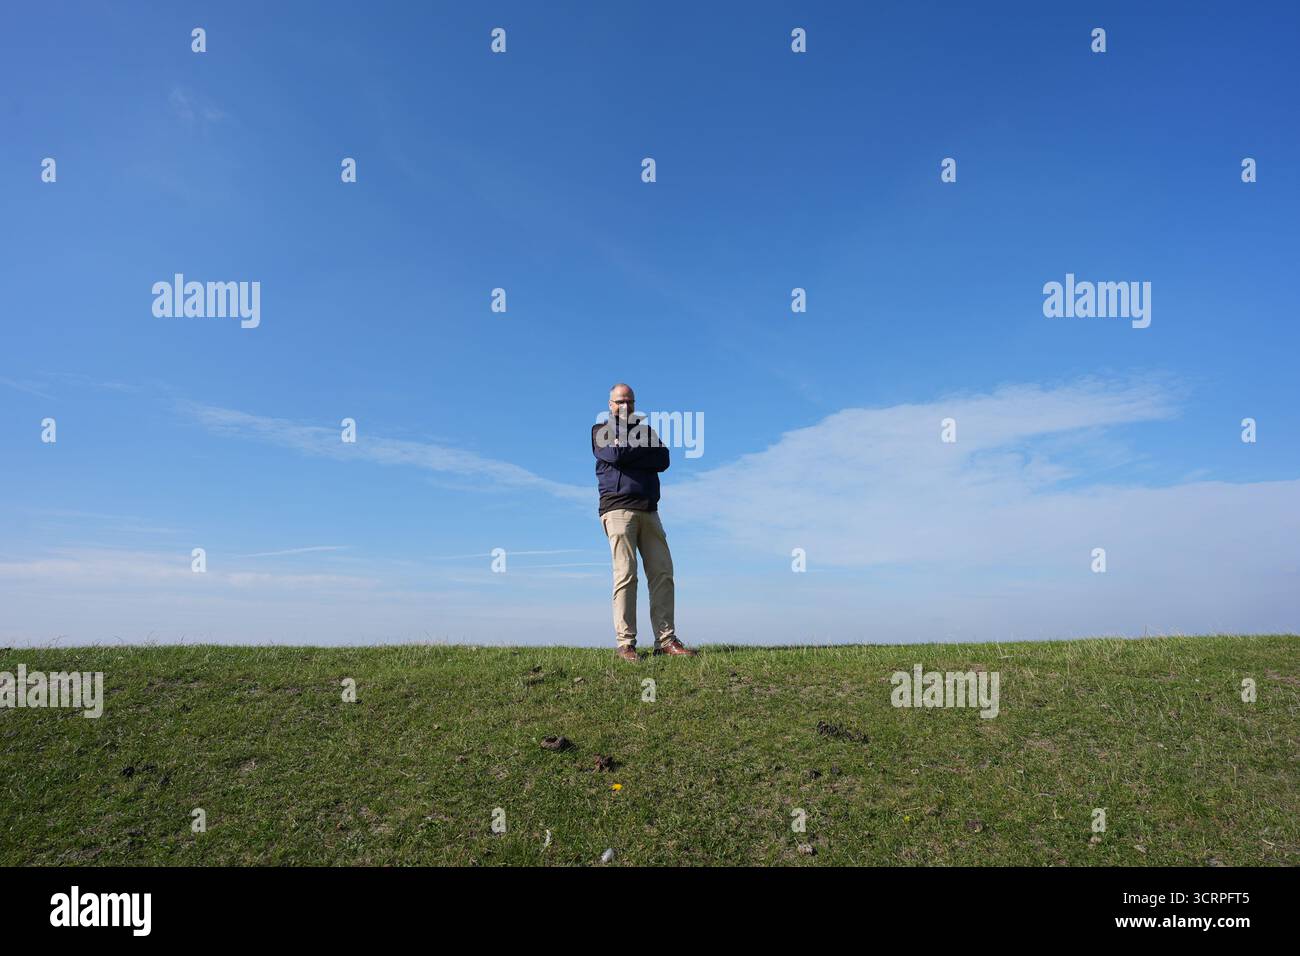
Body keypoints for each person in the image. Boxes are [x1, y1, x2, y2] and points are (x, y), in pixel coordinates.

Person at [591, 383, 697, 660]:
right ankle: (626, 644)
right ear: (610, 404)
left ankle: (666, 641)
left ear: (634, 404)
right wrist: (641, 452)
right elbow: (614, 455)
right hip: (617, 510)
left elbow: (663, 459)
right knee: (626, 575)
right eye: (619, 402)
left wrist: (631, 451)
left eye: (629, 401)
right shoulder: (600, 431)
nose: (624, 406)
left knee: (662, 573)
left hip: (650, 510)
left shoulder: (647, 432)